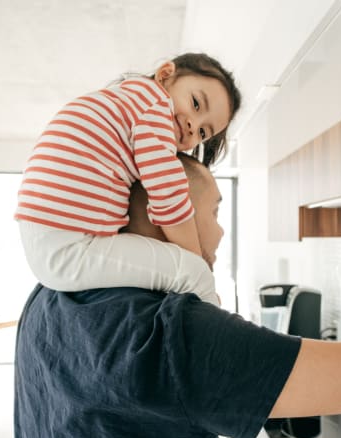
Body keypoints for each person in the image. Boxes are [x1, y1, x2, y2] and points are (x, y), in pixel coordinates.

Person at [14, 154, 341, 438]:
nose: (221, 229)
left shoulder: (48, 296)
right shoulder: (173, 332)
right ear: (165, 210)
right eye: (214, 210)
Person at [14, 53, 241, 305]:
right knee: (191, 272)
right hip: (68, 247)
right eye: (196, 104)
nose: (192, 125)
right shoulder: (152, 109)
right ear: (165, 75)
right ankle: (214, 332)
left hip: (48, 237)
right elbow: (170, 199)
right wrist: (197, 261)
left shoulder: (128, 102)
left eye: (202, 132)